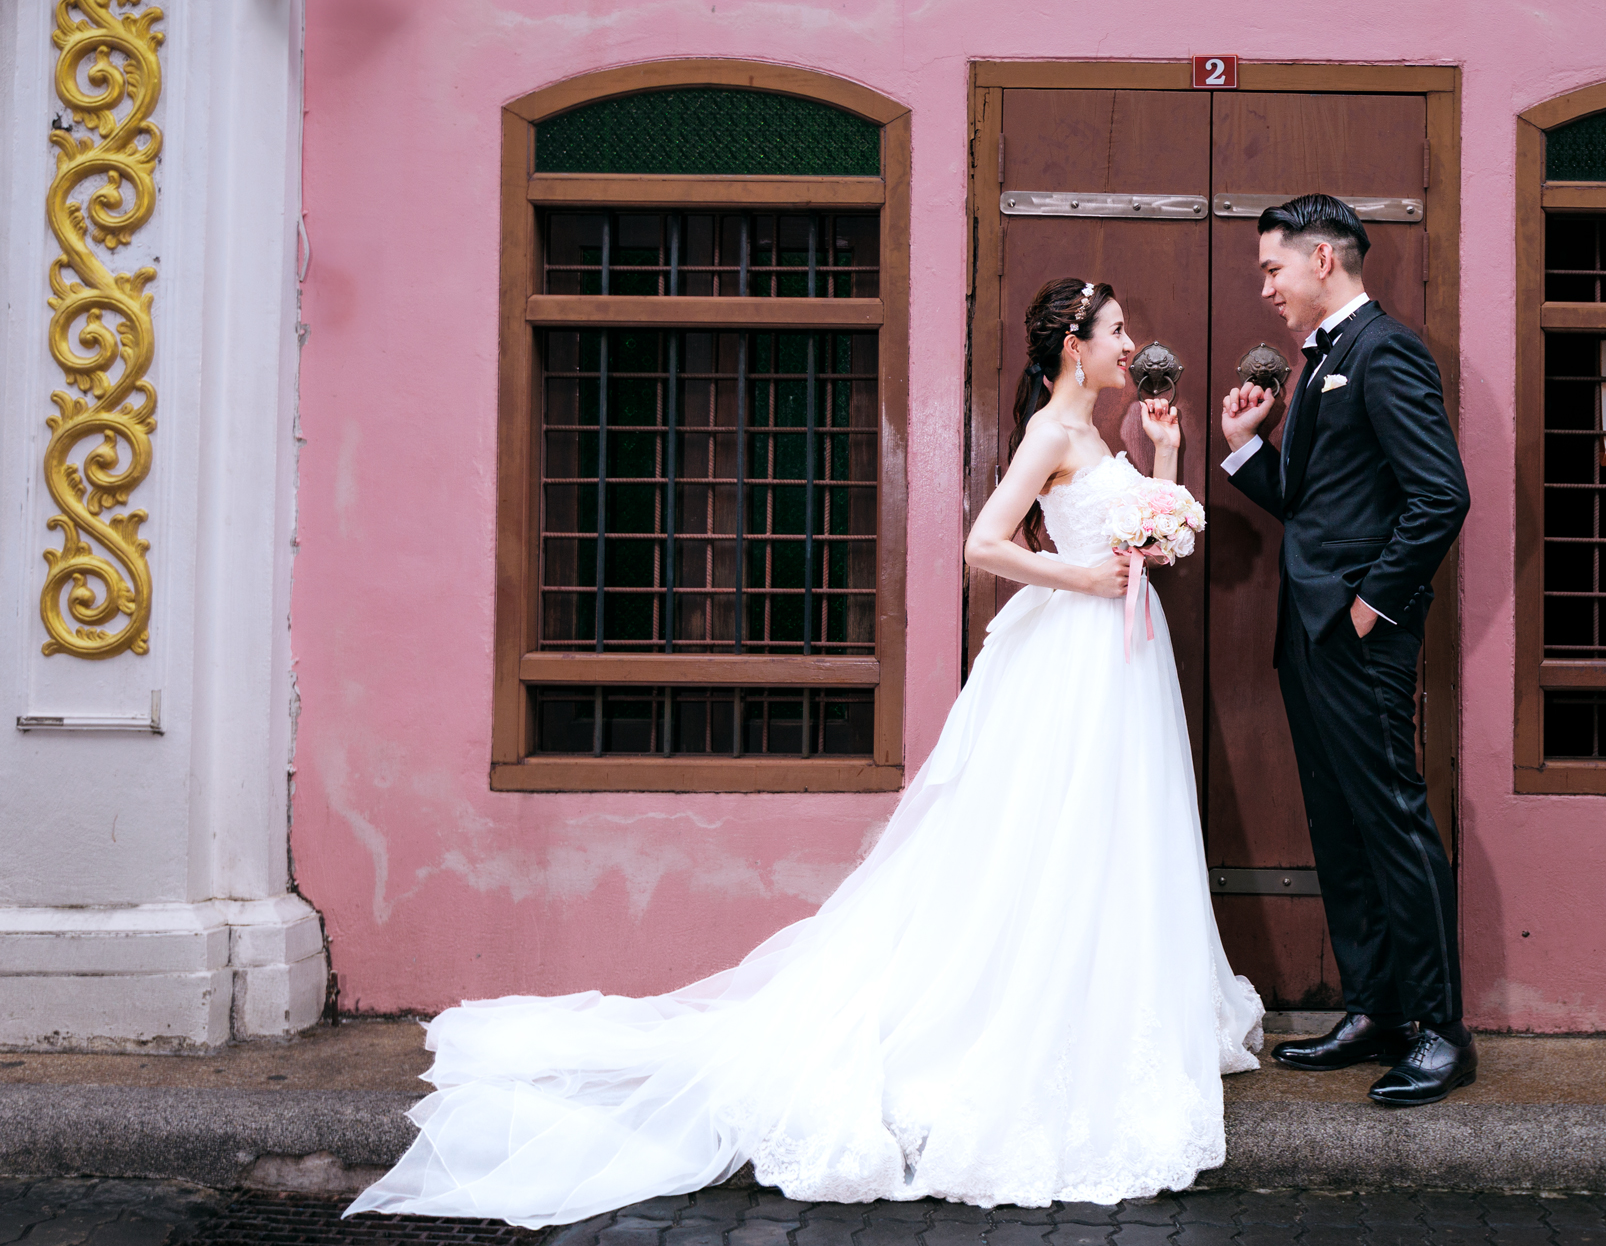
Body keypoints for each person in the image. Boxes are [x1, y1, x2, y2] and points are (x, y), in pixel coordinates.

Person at [348, 278, 1262, 1229]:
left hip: (1120, 665)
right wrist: (1075, 576)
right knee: (1054, 836)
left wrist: (1164, 454)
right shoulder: (1050, 435)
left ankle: (1110, 1011)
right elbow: (983, 544)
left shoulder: (1104, 436)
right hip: (1074, 660)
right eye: (1117, 331)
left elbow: (1148, 537)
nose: (1131, 344)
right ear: (1077, 345)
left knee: (1114, 836)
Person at [1218, 194, 1474, 1107]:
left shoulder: (1387, 351)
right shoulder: (1323, 360)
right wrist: (1247, 450)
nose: (1265, 288)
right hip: (1311, 638)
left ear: (1322, 258)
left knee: (1395, 826)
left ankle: (1440, 1030)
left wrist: (1373, 606)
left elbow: (1440, 496)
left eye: (1272, 269)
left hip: (1361, 638)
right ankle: (1377, 1008)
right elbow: (1317, 504)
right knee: (1339, 828)